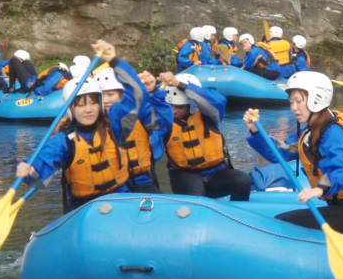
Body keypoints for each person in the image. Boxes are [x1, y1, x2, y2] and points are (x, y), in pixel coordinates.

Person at [244, 71, 343, 238]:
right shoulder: (311, 130)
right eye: (291, 102)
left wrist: (320, 189)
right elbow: (281, 153)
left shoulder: (334, 133)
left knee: (282, 223)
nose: (293, 107)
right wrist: (256, 131)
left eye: (298, 101)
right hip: (339, 206)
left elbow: (342, 171)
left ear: (317, 98)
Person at [16, 41, 142, 212]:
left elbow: (136, 92)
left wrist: (114, 61)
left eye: (93, 103)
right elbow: (43, 163)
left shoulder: (115, 124)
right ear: (71, 109)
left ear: (100, 104)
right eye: (81, 105)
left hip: (120, 201)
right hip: (83, 209)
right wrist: (29, 169)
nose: (88, 110)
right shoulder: (64, 139)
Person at [159, 71, 252, 201]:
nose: (174, 111)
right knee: (196, 190)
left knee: (243, 180)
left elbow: (219, 100)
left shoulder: (210, 116)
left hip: (216, 174)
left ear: (192, 104)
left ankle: (235, 211)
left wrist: (180, 84)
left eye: (179, 107)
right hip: (184, 176)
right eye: (171, 106)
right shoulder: (166, 121)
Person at [95, 66, 173, 193]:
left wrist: (153, 91)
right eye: (101, 96)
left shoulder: (140, 115)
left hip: (142, 179)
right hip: (112, 186)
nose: (106, 100)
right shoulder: (89, 123)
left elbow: (163, 122)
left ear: (122, 95)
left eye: (110, 94)